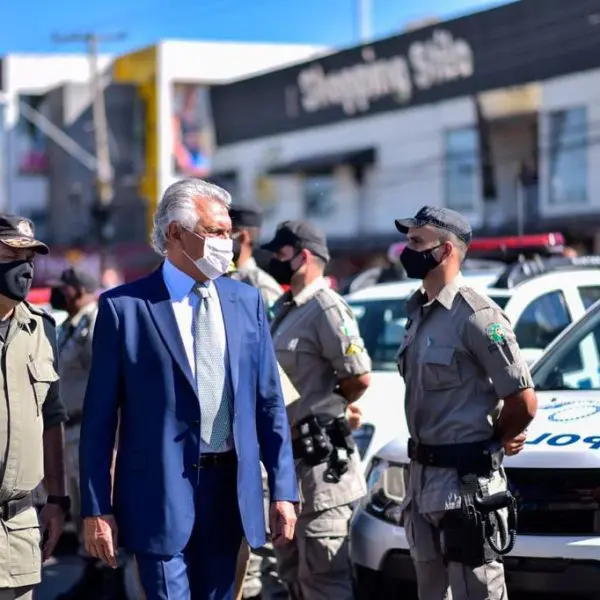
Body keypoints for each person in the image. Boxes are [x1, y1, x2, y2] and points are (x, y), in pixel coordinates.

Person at [79, 178, 298, 600]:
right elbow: (100, 420)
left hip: (230, 492)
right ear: (175, 233)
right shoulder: (126, 309)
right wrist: (96, 508)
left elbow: (268, 402)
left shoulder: (245, 301)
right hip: (157, 497)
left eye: (227, 232)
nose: (226, 242)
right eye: (214, 232)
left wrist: (284, 490)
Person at [394, 206, 538, 600]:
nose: (405, 250)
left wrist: (495, 440)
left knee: (477, 591)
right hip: (422, 477)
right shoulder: (418, 312)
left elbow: (522, 401)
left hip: (465, 484)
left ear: (444, 251)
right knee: (431, 592)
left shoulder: (478, 315)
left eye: (415, 242)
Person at [262, 220, 371, 600]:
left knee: (324, 579)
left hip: (322, 466)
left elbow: (358, 375)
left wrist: (329, 408)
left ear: (304, 256)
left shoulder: (327, 307)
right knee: (291, 576)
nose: (275, 261)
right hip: (288, 465)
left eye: (281, 254)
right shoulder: (286, 307)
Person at [0, 215, 69, 600]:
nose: (25, 266)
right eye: (12, 253)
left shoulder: (42, 329)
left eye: (30, 256)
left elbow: (52, 416)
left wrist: (57, 499)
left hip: (19, 531)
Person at [228, 204, 285, 600]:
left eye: (224, 232)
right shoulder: (226, 280)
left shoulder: (257, 287)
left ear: (243, 236)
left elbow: (271, 370)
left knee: (257, 563)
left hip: (252, 429)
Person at [228, 204, 282, 317]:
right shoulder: (216, 276)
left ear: (243, 237)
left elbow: (274, 331)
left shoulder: (261, 287)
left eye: (226, 233)